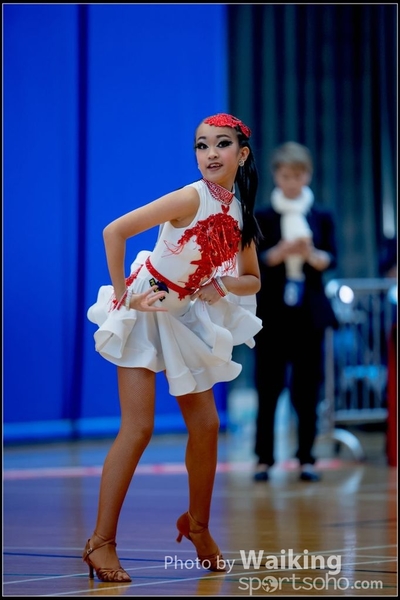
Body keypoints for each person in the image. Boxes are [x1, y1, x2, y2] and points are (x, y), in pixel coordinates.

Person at [84, 113, 263, 582]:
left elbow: (252, 279)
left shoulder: (239, 213)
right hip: (145, 308)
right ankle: (101, 542)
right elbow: (114, 231)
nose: (210, 153)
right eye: (202, 145)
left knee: (207, 426)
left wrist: (223, 285)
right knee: (138, 428)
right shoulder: (191, 196)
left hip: (183, 316)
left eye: (221, 144)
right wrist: (124, 296)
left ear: (242, 154)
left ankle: (197, 525)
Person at [253, 141, 338, 483]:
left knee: (307, 390)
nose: (292, 182)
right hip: (272, 314)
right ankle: (263, 459)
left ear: (308, 175)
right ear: (276, 176)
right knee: (268, 388)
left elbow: (331, 258)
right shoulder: (262, 216)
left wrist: (311, 254)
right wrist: (280, 252)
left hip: (308, 314)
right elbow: (255, 262)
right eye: (286, 176)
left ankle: (306, 458)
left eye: (298, 176)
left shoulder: (321, 215)